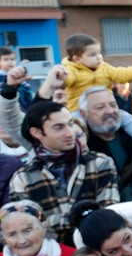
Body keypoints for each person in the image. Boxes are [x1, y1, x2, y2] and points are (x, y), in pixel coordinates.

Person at [9, 101, 119, 242]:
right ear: (37, 133)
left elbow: (108, 213)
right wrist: (81, 216)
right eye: (59, 128)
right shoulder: (23, 178)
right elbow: (27, 228)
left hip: (98, 246)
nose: (70, 133)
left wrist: (50, 221)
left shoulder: (99, 163)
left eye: (70, 123)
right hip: (53, 252)